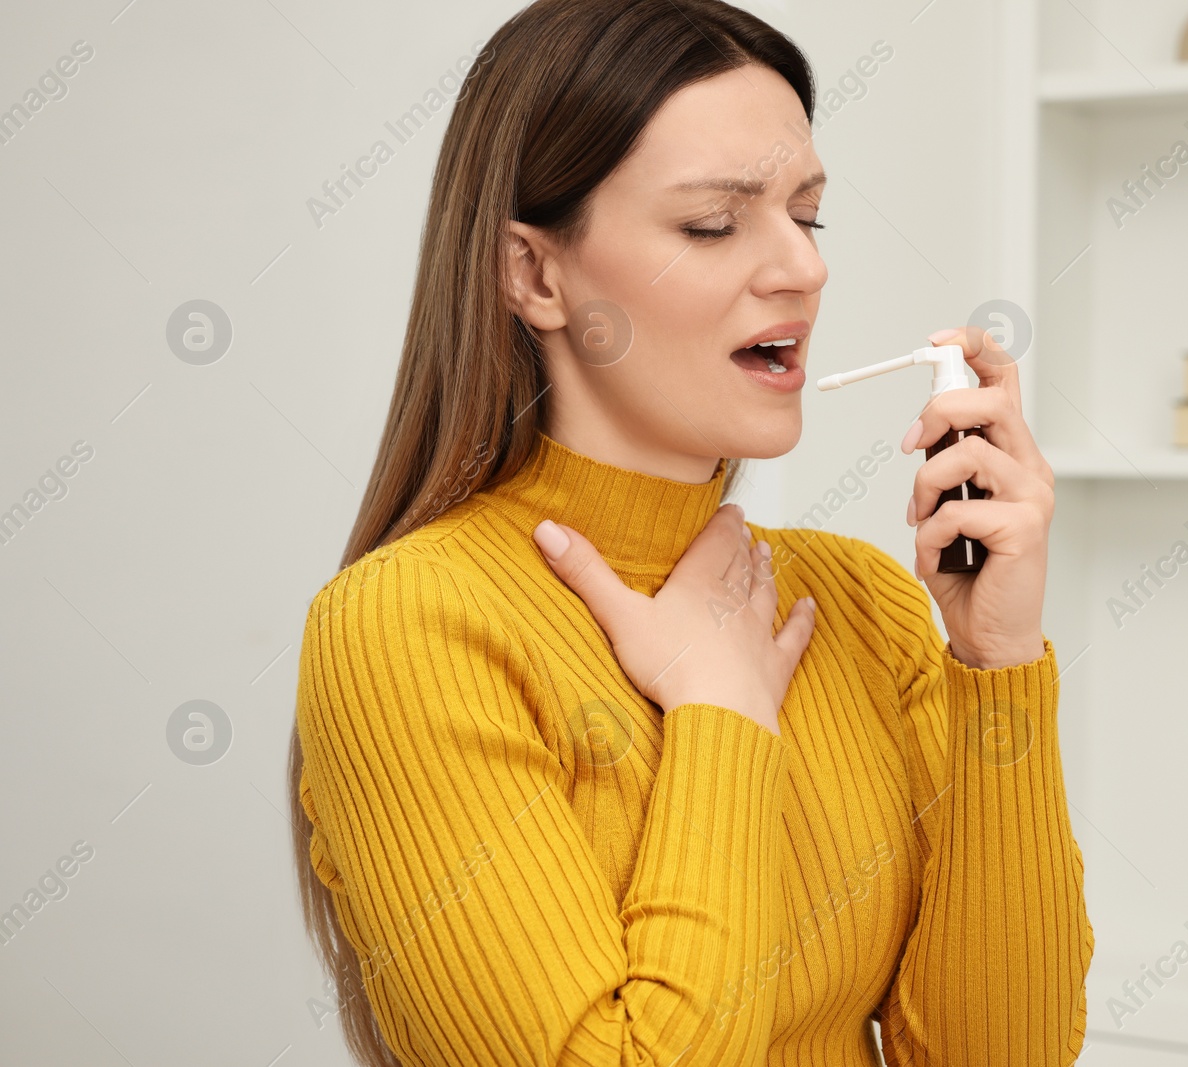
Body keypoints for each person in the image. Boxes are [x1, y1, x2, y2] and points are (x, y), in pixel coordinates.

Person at [287, 1, 1092, 1064]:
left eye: (806, 216)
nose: (801, 269)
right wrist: (720, 714)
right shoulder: (407, 626)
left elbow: (1004, 1055)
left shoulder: (859, 600)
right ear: (535, 274)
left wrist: (996, 665)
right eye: (714, 223)